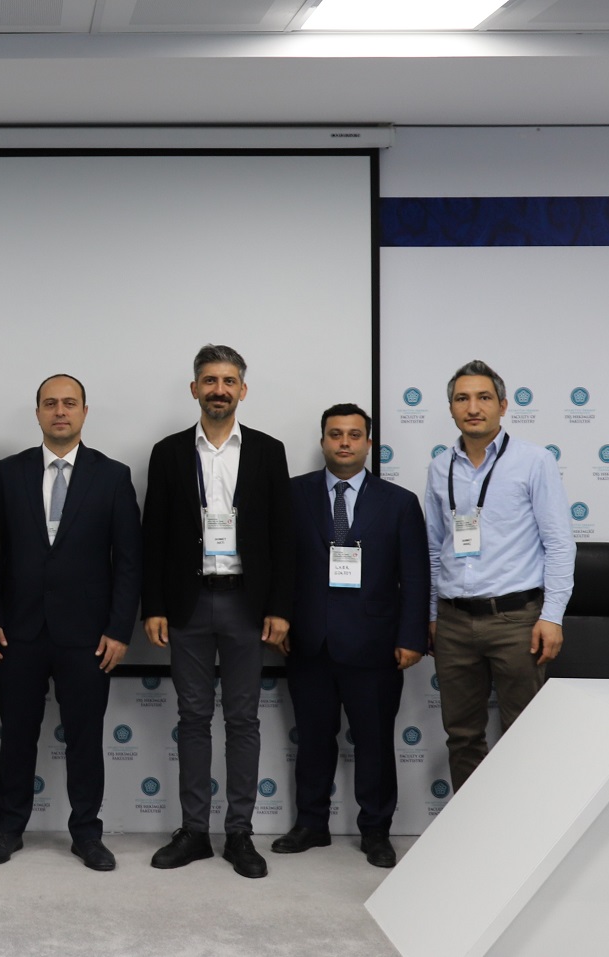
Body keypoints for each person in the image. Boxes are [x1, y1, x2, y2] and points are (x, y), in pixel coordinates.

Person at [142, 344, 294, 880]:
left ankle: (240, 833)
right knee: (192, 719)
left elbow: (282, 536)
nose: (219, 390)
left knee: (243, 720)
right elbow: (153, 535)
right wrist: (154, 606)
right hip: (187, 604)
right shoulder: (168, 452)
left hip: (246, 604)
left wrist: (279, 607)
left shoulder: (268, 451)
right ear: (195, 389)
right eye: (210, 380)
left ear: (243, 390)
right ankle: (193, 832)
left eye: (229, 381)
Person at [0, 373, 142, 871]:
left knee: (84, 738)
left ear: (84, 412)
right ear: (37, 413)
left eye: (69, 403)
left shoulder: (112, 475)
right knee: (17, 735)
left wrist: (119, 630)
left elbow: (129, 561)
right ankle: (8, 829)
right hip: (19, 631)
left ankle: (87, 834)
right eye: (50, 403)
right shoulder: (9, 472)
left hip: (88, 635)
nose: (59, 411)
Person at [274, 403, 427, 869]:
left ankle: (376, 831)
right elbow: (278, 566)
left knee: (374, 741)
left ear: (368, 443)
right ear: (322, 441)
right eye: (335, 434)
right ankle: (311, 824)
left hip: (375, 645)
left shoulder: (399, 502)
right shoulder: (292, 494)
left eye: (354, 435)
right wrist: (279, 618)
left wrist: (412, 636)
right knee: (313, 739)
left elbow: (415, 576)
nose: (344, 442)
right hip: (309, 642)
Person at [425, 360, 573, 790]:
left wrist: (552, 615)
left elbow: (560, 544)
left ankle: (524, 827)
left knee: (523, 735)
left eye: (484, 397)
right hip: (453, 622)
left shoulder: (534, 461)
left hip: (517, 621)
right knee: (462, 736)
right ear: (451, 409)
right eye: (462, 398)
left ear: (503, 406)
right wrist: (432, 614)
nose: (473, 407)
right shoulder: (439, 467)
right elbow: (434, 548)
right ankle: (471, 825)